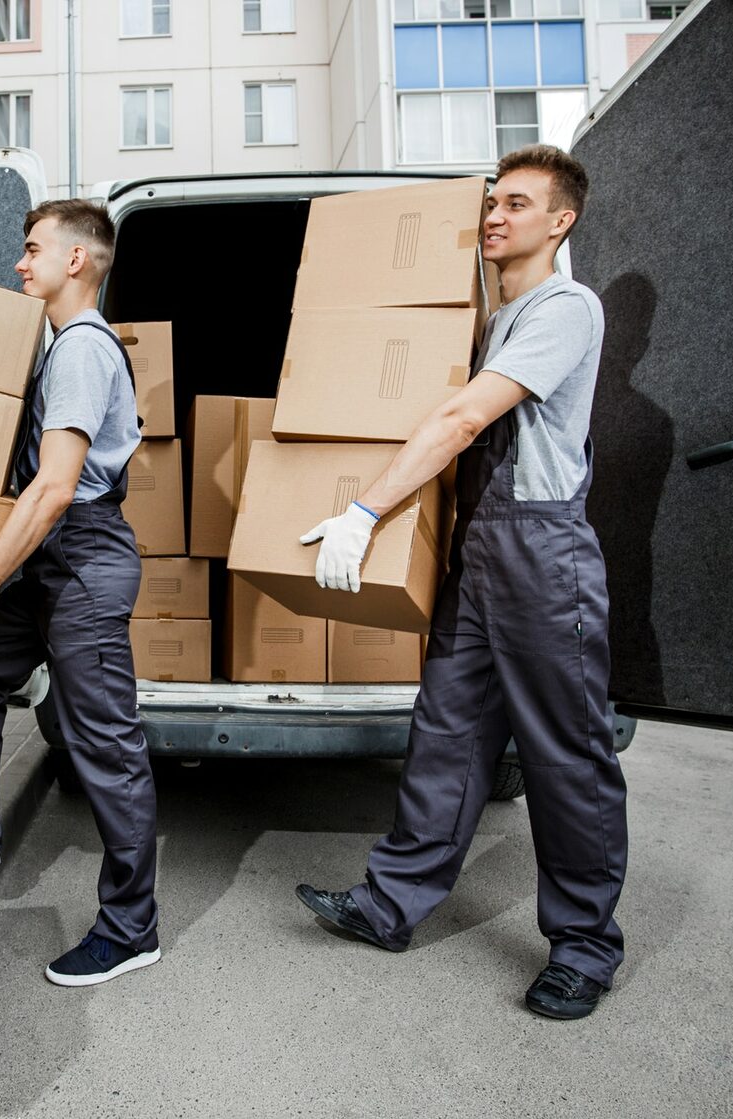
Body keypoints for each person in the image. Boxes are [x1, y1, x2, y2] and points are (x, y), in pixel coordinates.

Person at [293, 145, 626, 1020]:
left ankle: (585, 947)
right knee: (446, 731)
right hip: (486, 549)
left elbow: (465, 416)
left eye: (517, 204)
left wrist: (363, 512)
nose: (494, 217)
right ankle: (389, 905)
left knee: (564, 752)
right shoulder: (494, 319)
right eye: (491, 204)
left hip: (543, 552)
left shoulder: (564, 307)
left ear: (562, 220)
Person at [0, 199, 160, 989]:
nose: (20, 263)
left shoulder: (82, 347)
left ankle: (130, 927)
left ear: (76, 260)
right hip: (48, 555)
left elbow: (53, 489)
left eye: (32, 249)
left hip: (79, 554)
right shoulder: (56, 346)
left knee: (105, 744)